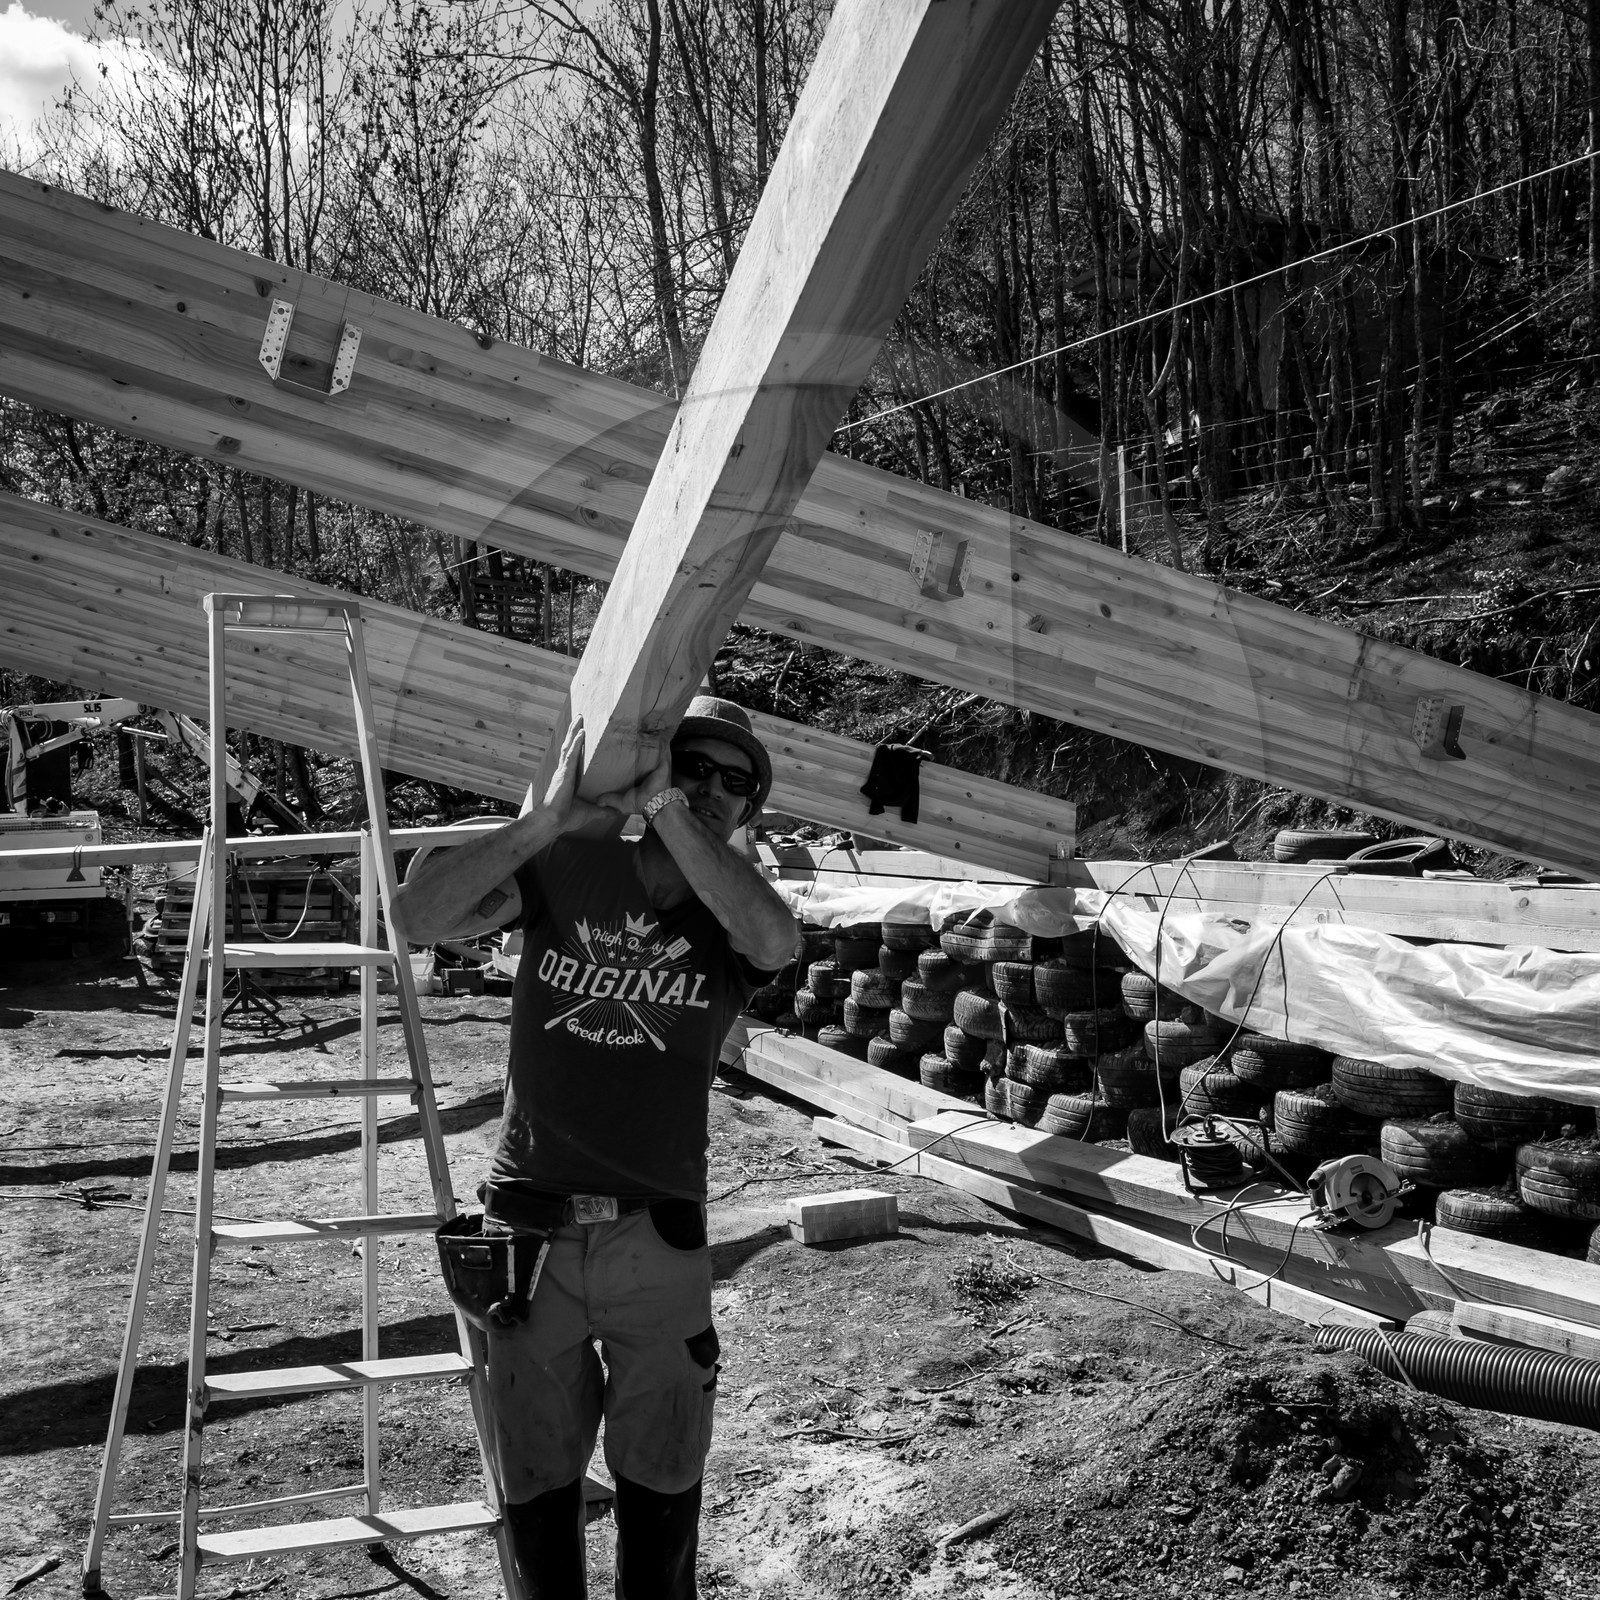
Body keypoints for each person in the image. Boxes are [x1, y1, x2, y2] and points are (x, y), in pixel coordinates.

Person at [391, 696, 799, 1600]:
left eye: (738, 785)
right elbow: (416, 917)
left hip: (657, 1233)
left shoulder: (733, 914)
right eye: (695, 766)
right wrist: (548, 820)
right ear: (654, 763)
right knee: (537, 1465)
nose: (715, 790)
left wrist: (666, 811)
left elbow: (779, 941)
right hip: (529, 1229)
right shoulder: (566, 865)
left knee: (662, 1458)